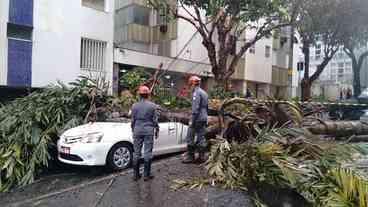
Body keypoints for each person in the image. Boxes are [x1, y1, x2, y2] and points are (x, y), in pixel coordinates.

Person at [131, 85, 159, 181]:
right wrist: (157, 129)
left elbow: (133, 120)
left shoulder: (134, 105)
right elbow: (155, 120)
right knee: (147, 152)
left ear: (139, 95)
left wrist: (133, 129)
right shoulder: (152, 106)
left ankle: (135, 175)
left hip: (137, 130)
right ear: (148, 95)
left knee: (136, 153)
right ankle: (146, 175)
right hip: (148, 130)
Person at [182, 75, 209, 164]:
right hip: (204, 117)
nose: (190, 86)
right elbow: (206, 107)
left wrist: (191, 120)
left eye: (190, 84)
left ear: (193, 83)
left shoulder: (196, 93)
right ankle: (202, 157)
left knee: (190, 137)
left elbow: (195, 108)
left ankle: (190, 156)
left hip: (197, 118)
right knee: (201, 137)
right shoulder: (204, 92)